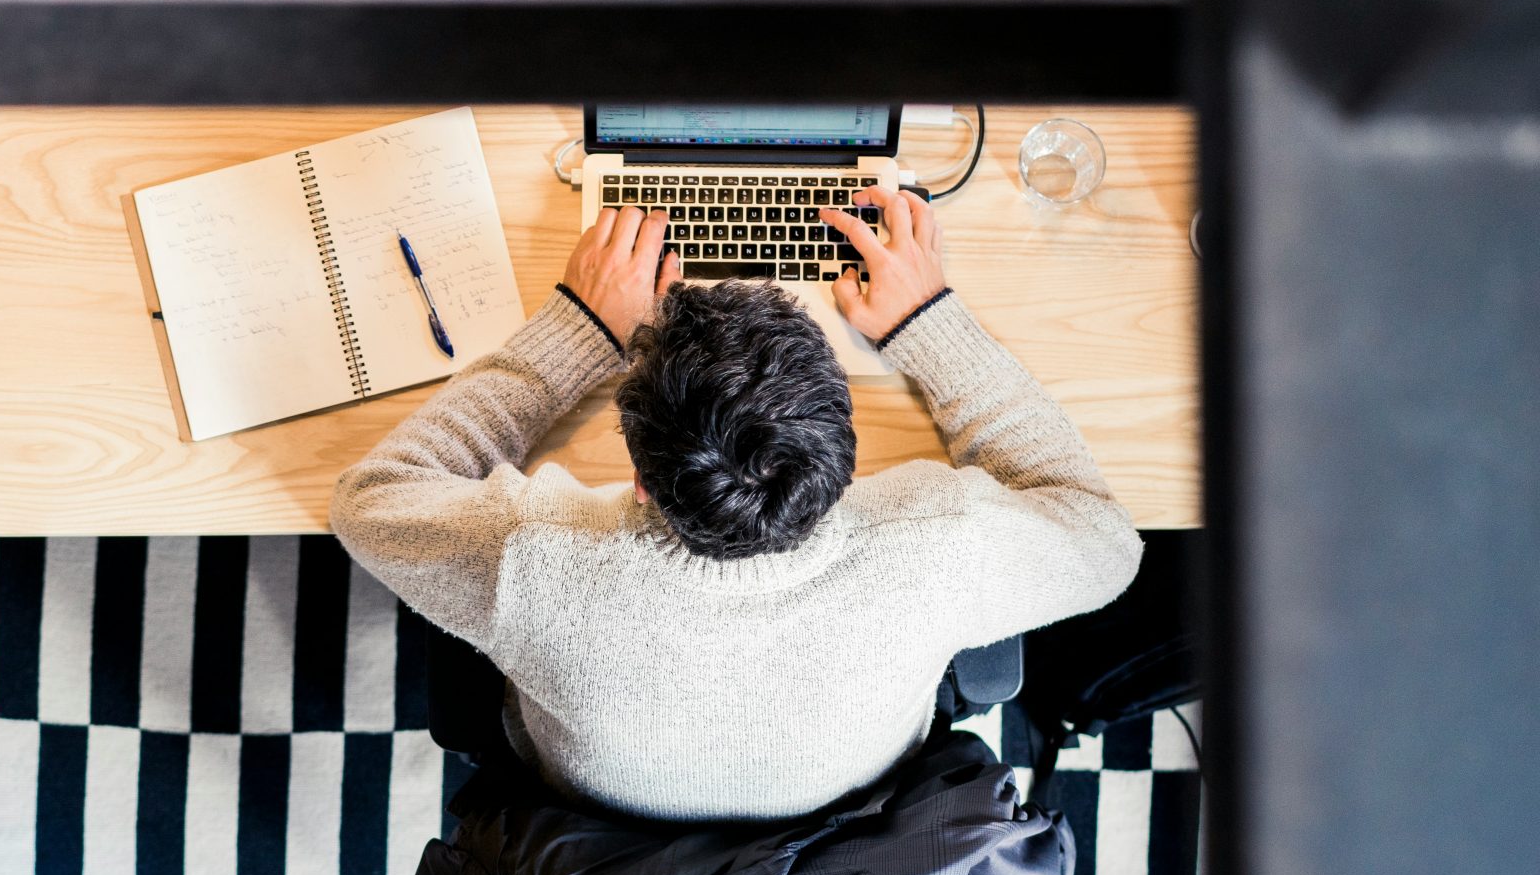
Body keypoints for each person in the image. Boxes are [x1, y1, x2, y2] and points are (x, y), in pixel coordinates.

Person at [331, 190, 1141, 822]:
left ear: (641, 482)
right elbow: (1103, 535)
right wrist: (928, 325)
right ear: (842, 457)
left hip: (596, 828)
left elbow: (373, 497)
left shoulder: (536, 556)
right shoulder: (935, 545)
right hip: (848, 822)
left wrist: (579, 331)